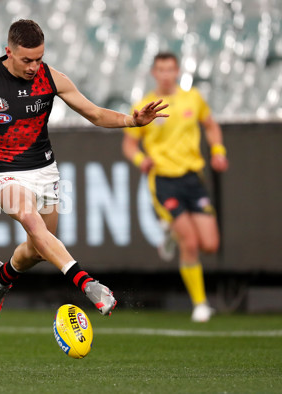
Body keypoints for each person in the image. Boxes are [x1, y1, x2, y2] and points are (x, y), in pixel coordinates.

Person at [0, 19, 168, 321]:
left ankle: (2, 277)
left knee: (37, 248)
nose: (34, 66)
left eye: (39, 59)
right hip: (6, 175)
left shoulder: (50, 78)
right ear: (8, 51)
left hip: (46, 172)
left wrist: (132, 121)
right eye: (26, 60)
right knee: (33, 223)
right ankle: (88, 284)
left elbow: (95, 113)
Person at [122, 52, 228, 323]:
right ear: (154, 73)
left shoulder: (192, 98)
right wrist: (140, 159)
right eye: (161, 70)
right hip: (164, 180)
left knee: (210, 244)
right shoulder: (145, 104)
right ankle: (200, 304)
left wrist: (218, 150)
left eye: (170, 69)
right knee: (190, 242)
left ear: (177, 71)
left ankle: (169, 234)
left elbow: (211, 125)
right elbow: (129, 144)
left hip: (193, 178)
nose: (166, 74)